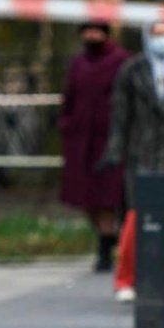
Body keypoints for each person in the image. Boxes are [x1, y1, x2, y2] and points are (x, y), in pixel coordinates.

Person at [98, 19, 164, 302]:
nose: (163, 40)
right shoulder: (131, 71)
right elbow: (120, 116)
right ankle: (127, 279)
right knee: (137, 218)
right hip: (143, 153)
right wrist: (114, 151)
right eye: (157, 35)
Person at [57, 22, 130, 272]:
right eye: (87, 31)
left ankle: (107, 248)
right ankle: (106, 240)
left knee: (107, 196)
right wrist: (67, 123)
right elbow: (70, 95)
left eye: (96, 31)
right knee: (85, 196)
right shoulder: (79, 63)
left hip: (109, 140)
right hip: (80, 139)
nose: (91, 36)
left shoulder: (121, 61)